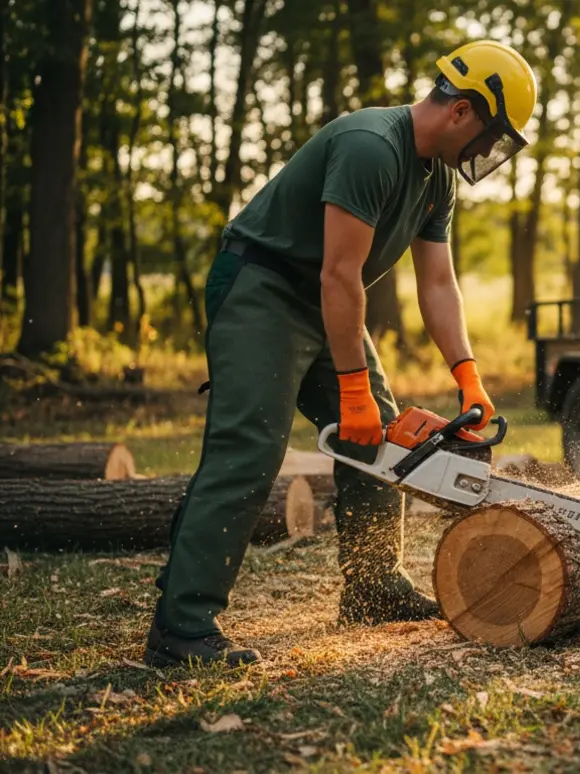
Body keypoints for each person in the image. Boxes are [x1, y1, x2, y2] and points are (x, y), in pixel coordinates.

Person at [143, 41, 539, 668]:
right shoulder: (370, 146)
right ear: (461, 110)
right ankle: (181, 626)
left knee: (383, 443)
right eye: (490, 137)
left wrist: (468, 377)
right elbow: (339, 273)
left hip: (326, 299)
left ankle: (373, 589)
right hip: (264, 288)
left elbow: (438, 284)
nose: (486, 152)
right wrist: (351, 390)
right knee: (251, 446)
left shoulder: (437, 179)